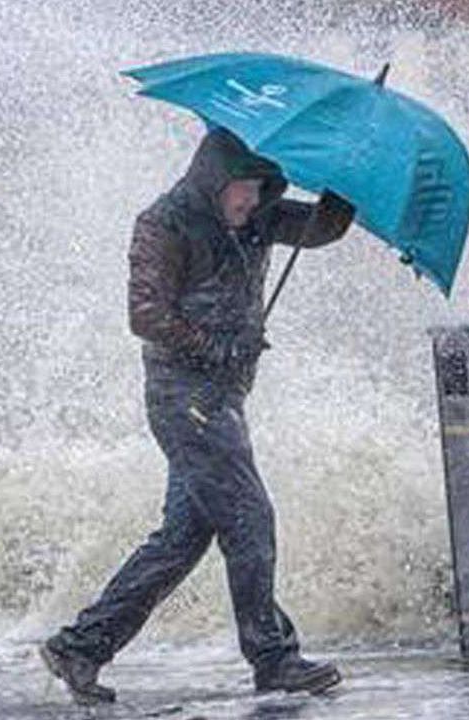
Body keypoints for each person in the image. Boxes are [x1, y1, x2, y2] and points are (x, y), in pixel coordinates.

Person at [40, 127, 356, 705]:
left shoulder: (258, 215)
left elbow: (321, 229)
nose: (251, 202)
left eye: (262, 190)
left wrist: (346, 183)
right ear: (214, 180)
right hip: (183, 397)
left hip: (223, 398)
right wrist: (215, 348)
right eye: (243, 189)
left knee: (183, 537)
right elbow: (145, 315)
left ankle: (80, 646)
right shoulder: (164, 224)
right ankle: (274, 658)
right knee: (250, 516)